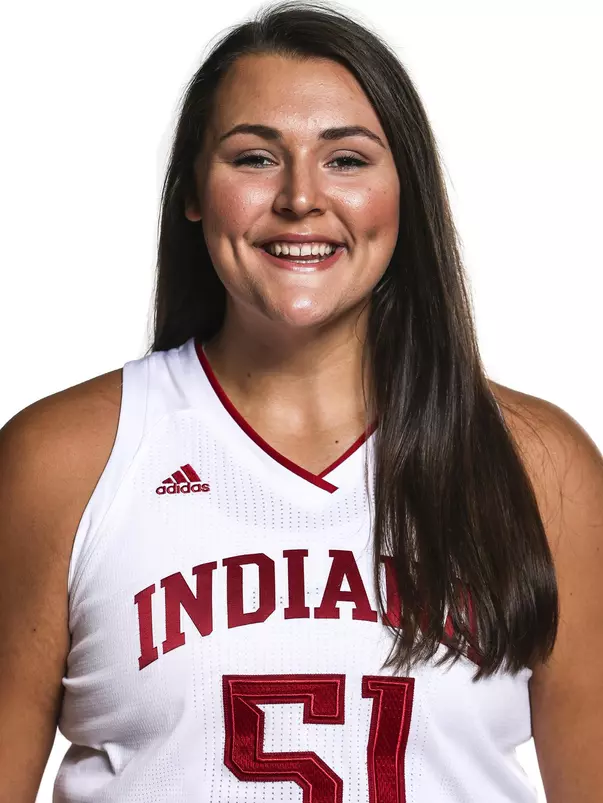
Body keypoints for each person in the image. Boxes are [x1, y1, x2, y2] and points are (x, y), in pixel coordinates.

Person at [1, 1, 601, 801]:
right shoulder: (63, 459)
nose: (299, 198)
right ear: (191, 192)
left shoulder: (536, 463)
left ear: (404, 195)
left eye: (346, 160)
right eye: (253, 158)